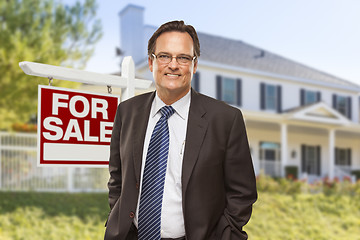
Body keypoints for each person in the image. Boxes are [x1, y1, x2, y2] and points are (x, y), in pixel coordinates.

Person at [104, 20, 257, 240]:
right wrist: (116, 219)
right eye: (164, 56)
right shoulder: (127, 112)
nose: (173, 65)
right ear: (151, 62)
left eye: (183, 58)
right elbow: (117, 178)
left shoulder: (225, 119)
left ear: (194, 65)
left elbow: (242, 193)